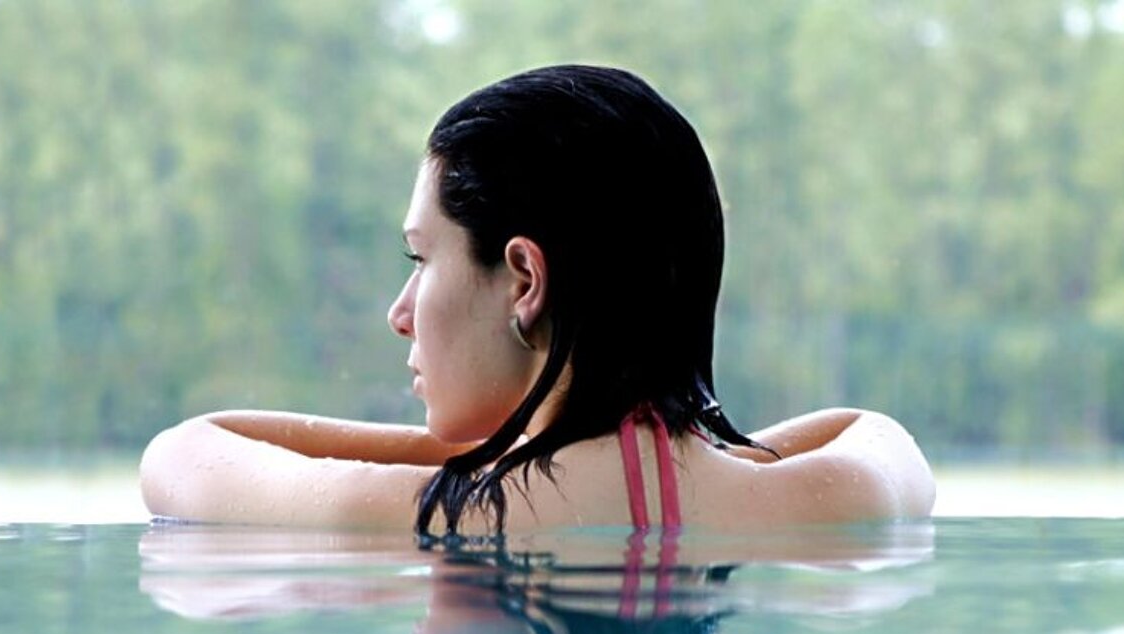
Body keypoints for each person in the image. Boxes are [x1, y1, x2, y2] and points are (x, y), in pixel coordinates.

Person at [140, 64, 935, 536]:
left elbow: (180, 457)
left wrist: (481, 458)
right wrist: (692, 441)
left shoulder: (449, 515)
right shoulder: (829, 499)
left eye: (421, 259)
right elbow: (876, 434)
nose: (400, 311)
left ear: (525, 281)